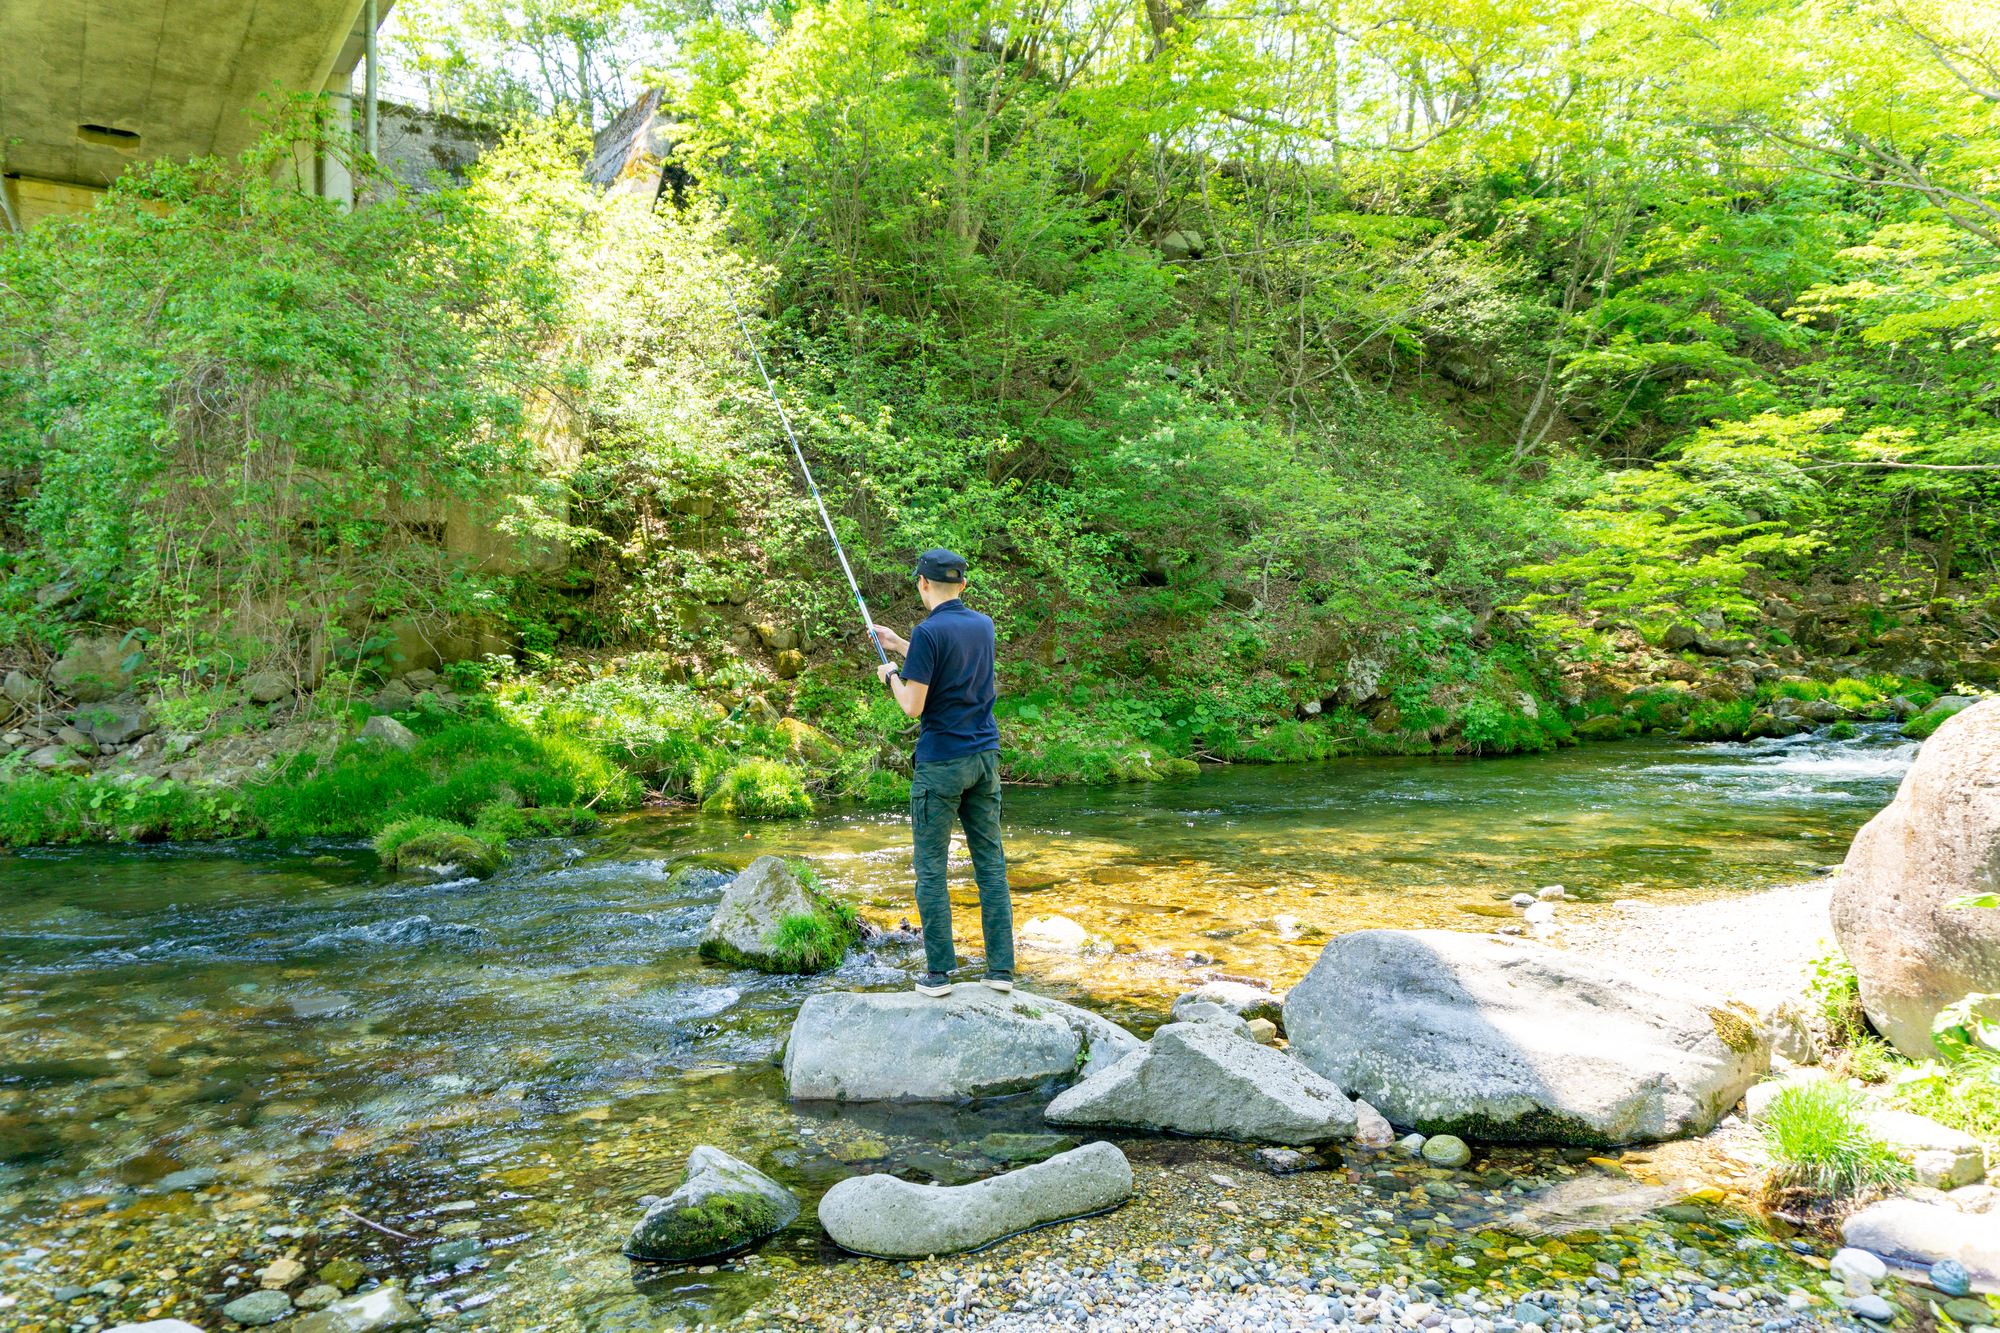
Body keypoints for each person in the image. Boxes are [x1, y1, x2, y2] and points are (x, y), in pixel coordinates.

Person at [870, 548, 1013, 998]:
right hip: (985, 760)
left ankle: (938, 976)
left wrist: (891, 674)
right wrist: (898, 644)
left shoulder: (929, 631)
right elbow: (950, 660)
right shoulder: (983, 626)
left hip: (941, 765)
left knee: (931, 869)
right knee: (990, 865)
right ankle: (1001, 974)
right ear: (964, 586)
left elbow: (914, 705)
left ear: (922, 584)